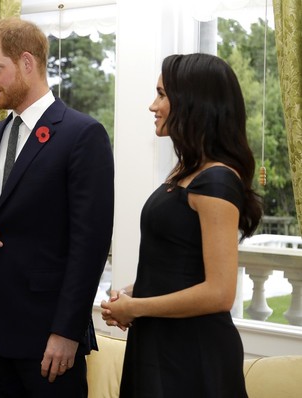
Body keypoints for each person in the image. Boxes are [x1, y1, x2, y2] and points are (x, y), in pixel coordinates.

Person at [0, 17, 114, 397]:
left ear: (27, 63)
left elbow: (90, 245)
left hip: (50, 336)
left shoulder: (82, 135)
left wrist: (66, 331)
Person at [101, 53, 263, 397]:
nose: (152, 105)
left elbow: (220, 293)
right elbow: (180, 266)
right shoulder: (186, 173)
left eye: (161, 94)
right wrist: (134, 292)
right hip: (161, 345)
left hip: (192, 356)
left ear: (192, 102)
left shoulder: (217, 181)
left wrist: (136, 308)